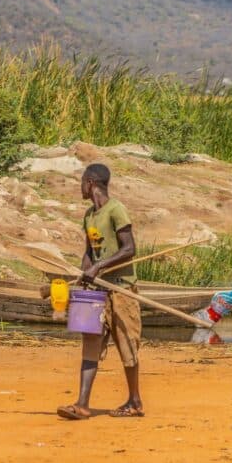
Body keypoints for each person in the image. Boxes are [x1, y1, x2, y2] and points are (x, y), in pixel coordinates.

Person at [57, 163, 144, 420]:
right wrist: (84, 276)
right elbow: (88, 252)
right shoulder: (88, 215)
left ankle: (135, 401)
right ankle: (82, 404)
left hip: (120, 289)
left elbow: (129, 249)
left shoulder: (116, 210)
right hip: (96, 291)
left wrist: (100, 267)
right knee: (90, 343)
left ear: (91, 183)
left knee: (127, 346)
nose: (80, 187)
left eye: (82, 182)